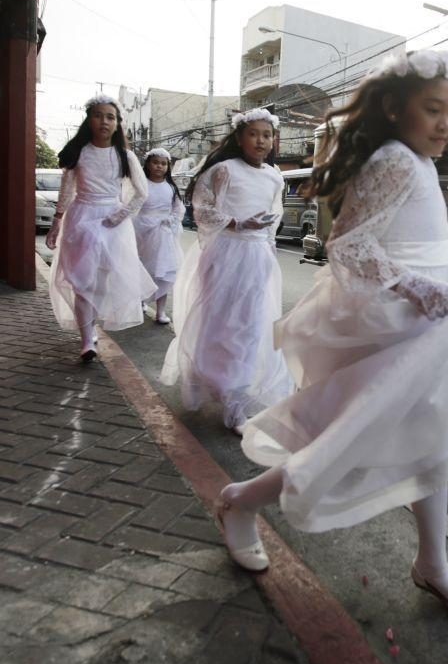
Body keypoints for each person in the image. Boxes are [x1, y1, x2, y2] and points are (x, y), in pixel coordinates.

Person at [215, 49, 448, 621]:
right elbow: (349, 248)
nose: (446, 125)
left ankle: (431, 565)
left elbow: (409, 240)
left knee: (430, 444)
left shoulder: (414, 159)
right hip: (406, 326)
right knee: (356, 437)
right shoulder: (396, 160)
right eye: (433, 110)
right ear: (392, 108)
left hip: (427, 325)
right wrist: (417, 287)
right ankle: (240, 502)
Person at [160, 109, 293, 435]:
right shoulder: (223, 170)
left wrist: (268, 245)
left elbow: (274, 217)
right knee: (219, 322)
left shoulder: (275, 176)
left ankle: (236, 401)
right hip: (225, 254)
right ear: (239, 137)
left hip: (258, 257)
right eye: (253, 134)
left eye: (267, 135)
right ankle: (206, 376)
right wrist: (235, 223)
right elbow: (202, 209)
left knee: (250, 327)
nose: (261, 141)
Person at [45, 95, 156, 362]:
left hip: (113, 224)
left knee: (103, 283)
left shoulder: (124, 156)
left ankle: (91, 326)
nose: (104, 121)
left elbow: (142, 193)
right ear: (89, 120)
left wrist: (121, 215)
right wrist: (56, 222)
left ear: (117, 124)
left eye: (110, 117)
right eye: (98, 115)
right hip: (81, 219)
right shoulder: (78, 153)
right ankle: (86, 341)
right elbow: (67, 190)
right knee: (82, 283)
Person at [134, 147, 185, 324]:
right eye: (155, 162)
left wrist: (171, 220)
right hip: (142, 232)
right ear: (147, 164)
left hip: (164, 235)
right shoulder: (141, 185)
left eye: (163, 164)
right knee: (144, 270)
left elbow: (178, 208)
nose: (159, 166)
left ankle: (160, 312)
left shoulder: (171, 187)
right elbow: (133, 207)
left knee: (163, 272)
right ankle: (140, 299)